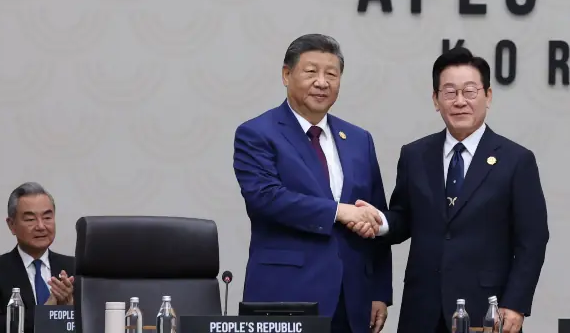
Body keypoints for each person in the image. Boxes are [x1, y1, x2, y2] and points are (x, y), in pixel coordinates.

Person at [351, 47, 549, 333]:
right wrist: (379, 222)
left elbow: (533, 240)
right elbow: (403, 218)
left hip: (487, 310)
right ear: (435, 99)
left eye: (470, 91)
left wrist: (515, 303)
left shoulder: (516, 160)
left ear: (488, 96)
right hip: (422, 308)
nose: (460, 102)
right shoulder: (415, 155)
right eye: (449, 92)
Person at [233, 34, 392, 333]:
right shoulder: (256, 133)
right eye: (311, 72)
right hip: (285, 294)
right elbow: (266, 197)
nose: (322, 82)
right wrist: (338, 211)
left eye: (331, 74)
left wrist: (380, 292)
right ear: (286, 74)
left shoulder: (359, 140)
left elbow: (374, 214)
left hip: (352, 299)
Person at [0, 182, 75, 333]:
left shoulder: (75, 268)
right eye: (30, 219)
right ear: (11, 225)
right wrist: (46, 312)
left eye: (47, 217)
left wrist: (70, 308)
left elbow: (95, 319)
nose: (41, 226)